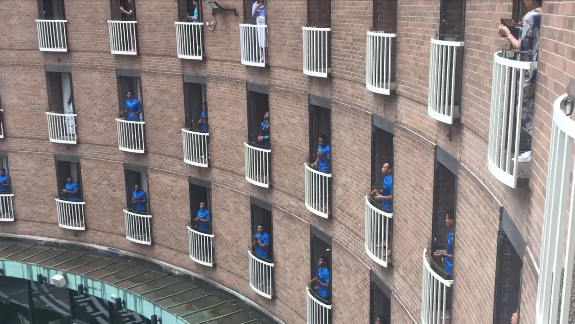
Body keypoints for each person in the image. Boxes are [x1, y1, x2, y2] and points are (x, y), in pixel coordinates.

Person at [498, 0, 542, 163]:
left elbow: (522, 46)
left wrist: (507, 33)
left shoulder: (531, 16)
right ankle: (532, 151)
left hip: (528, 71)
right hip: (539, 67)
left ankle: (533, 151)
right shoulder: (544, 15)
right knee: (534, 108)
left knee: (526, 109)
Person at [434, 209, 455, 276]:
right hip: (448, 268)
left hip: (452, 270)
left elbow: (455, 256)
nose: (445, 221)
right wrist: (441, 254)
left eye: (447, 219)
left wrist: (444, 255)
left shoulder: (455, 235)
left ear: (452, 220)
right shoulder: (451, 232)